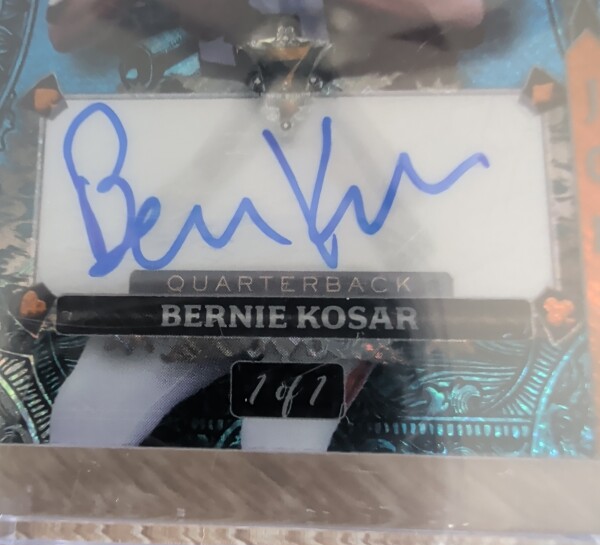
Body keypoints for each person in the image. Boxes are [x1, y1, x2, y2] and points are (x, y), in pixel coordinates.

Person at [46, 0, 500, 451]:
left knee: (283, 447)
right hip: (208, 207)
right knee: (84, 420)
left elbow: (464, 9)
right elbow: (66, 27)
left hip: (336, 223)